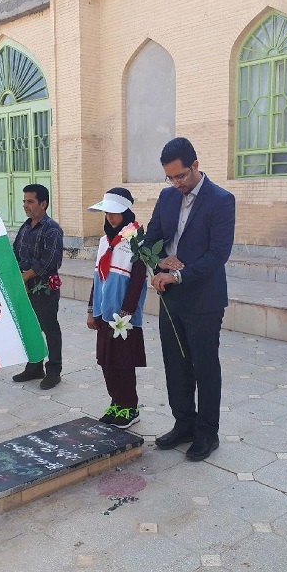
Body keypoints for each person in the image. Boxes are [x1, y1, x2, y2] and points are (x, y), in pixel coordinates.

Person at [144, 137, 235, 461]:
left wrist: (179, 275)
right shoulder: (167, 197)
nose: (176, 183)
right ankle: (183, 423)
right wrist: (159, 265)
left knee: (204, 367)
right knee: (175, 364)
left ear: (195, 165)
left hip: (204, 301)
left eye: (180, 176)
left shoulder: (221, 200)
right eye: (170, 177)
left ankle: (207, 433)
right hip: (171, 298)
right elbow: (150, 240)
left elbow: (218, 254)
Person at [86, 188, 148, 429]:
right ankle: (116, 402)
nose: (110, 217)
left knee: (123, 362)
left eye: (115, 212)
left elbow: (137, 281)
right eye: (107, 213)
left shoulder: (137, 242)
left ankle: (130, 408)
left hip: (123, 317)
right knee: (106, 361)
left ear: (126, 213)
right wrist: (91, 310)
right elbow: (97, 277)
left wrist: (126, 312)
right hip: (104, 312)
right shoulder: (104, 242)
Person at [11, 184, 64, 390]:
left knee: (49, 327)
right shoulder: (25, 228)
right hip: (24, 287)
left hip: (44, 288)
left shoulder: (52, 229)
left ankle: (54, 371)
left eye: (30, 201)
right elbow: (16, 254)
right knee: (29, 327)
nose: (25, 205)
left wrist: (26, 276)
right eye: (24, 201)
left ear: (43, 204)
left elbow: (50, 260)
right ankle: (34, 366)